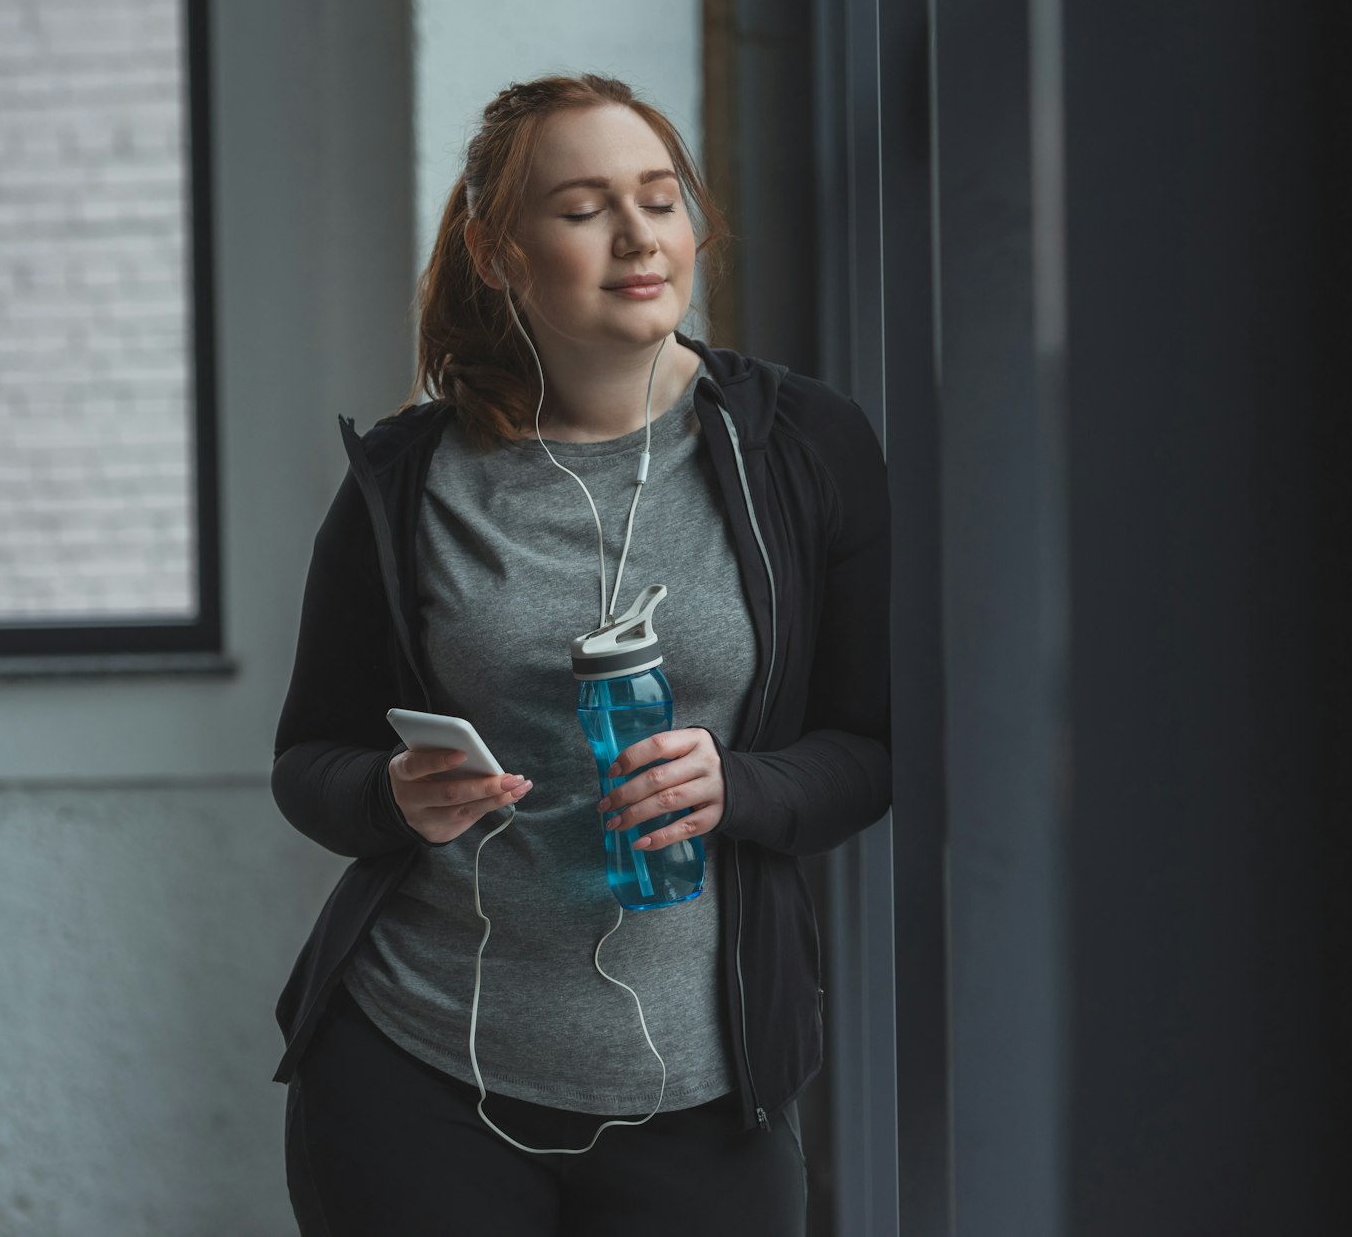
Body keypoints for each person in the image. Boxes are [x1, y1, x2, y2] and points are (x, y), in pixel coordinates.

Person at [270, 72, 891, 1235]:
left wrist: (738, 784)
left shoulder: (803, 447)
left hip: (705, 1096)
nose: (636, 237)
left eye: (658, 199)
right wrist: (392, 795)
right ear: (499, 253)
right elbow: (307, 758)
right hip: (414, 1075)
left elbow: (875, 745)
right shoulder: (407, 485)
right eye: (581, 209)